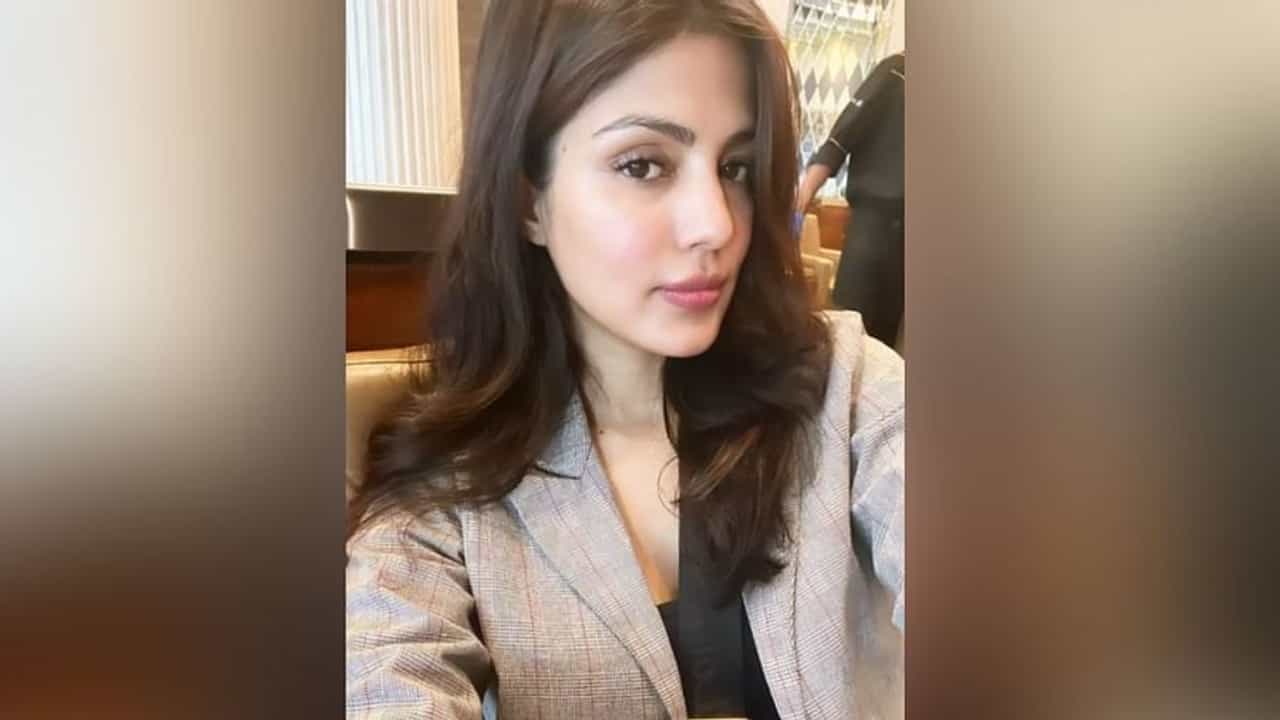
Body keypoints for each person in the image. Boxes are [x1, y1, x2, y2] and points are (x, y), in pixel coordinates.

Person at [346, 1, 904, 717]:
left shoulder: (846, 389)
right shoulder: (444, 497)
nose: (716, 224)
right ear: (528, 201)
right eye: (643, 165)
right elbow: (388, 677)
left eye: (735, 167)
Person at [796, 52, 905, 346]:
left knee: (888, 347)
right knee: (852, 334)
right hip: (874, 229)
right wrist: (802, 199)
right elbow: (842, 136)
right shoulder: (896, 71)